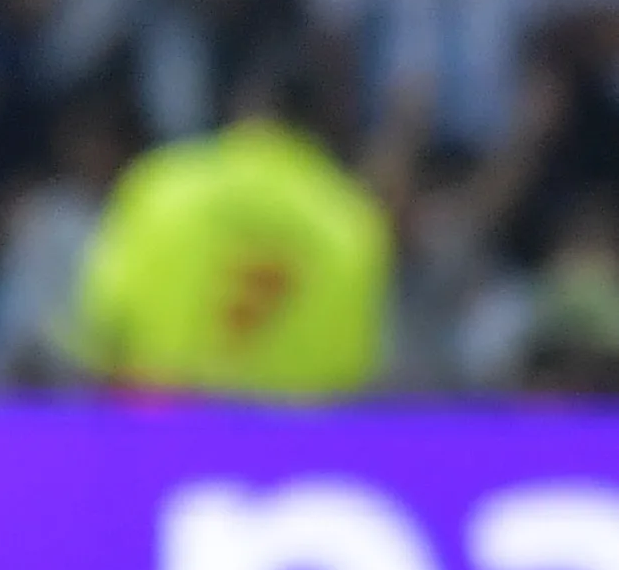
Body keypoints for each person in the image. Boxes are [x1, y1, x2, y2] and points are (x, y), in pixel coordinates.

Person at [69, 56, 391, 398]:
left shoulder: (164, 184)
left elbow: (102, 316)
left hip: (162, 431)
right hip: (285, 443)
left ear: (245, 108)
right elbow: (354, 368)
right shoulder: (350, 221)